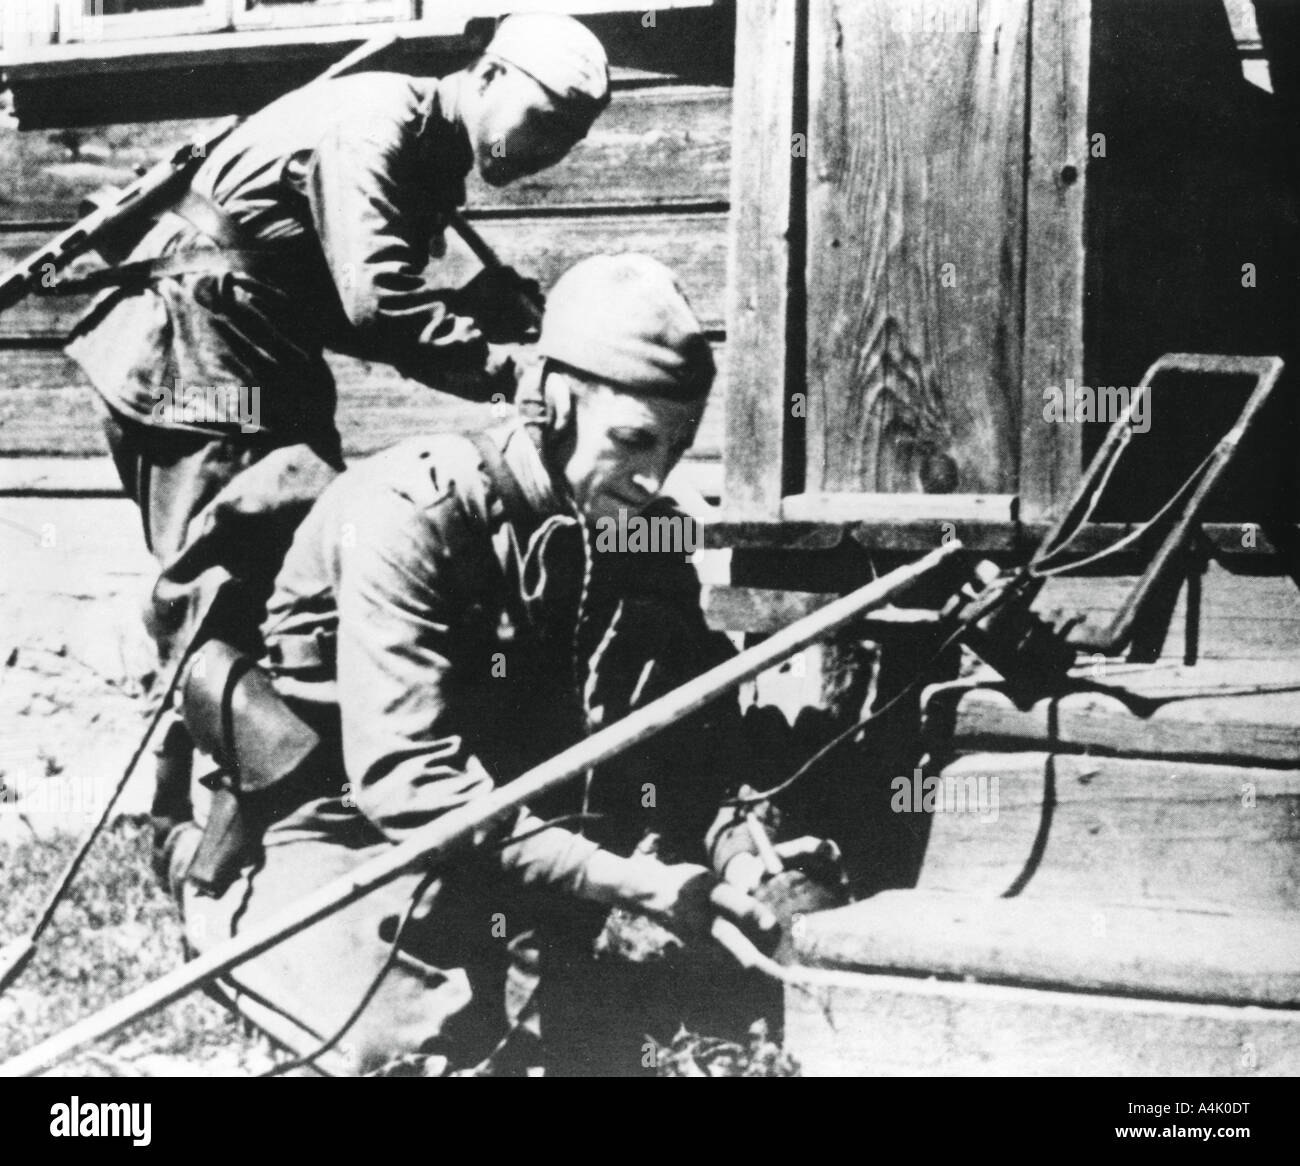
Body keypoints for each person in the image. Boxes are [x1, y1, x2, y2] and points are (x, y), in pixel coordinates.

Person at [167, 255, 816, 1076]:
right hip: (348, 817)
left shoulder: (636, 525)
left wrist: (736, 847)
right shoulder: (413, 511)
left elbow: (690, 725)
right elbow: (405, 777)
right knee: (410, 1045)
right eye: (632, 441)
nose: (655, 478)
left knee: (545, 1020)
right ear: (552, 401)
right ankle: (214, 885)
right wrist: (621, 882)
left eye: (678, 448)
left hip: (500, 816)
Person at [62, 13, 612, 862]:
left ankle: (244, 824)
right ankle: (212, 844)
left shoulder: (424, 145)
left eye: (568, 140)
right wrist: (508, 372)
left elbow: (320, 292)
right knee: (239, 579)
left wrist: (465, 315)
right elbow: (377, 303)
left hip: (250, 350)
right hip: (199, 362)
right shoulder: (379, 123)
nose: (545, 151)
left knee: (288, 579)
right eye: (541, 122)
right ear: (492, 76)